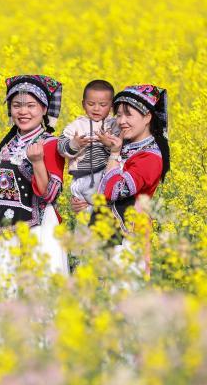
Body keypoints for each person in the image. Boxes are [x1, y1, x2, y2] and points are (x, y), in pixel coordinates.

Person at [71, 84, 170, 277]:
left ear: (147, 117)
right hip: (101, 232)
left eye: (128, 115)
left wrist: (114, 154)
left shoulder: (150, 157)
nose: (122, 121)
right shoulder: (120, 145)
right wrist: (84, 202)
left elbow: (112, 191)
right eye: (118, 115)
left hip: (128, 237)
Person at [0, 74, 68, 277]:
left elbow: (50, 195)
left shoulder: (50, 143)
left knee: (40, 291)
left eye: (31, 106)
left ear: (44, 109)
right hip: (6, 229)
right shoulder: (7, 145)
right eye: (16, 105)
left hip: (39, 229)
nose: (23, 112)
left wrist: (38, 162)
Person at [57, 79, 120, 211]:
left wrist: (109, 144)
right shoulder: (76, 125)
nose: (96, 108)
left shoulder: (114, 124)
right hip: (82, 176)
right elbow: (61, 146)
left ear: (112, 107)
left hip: (104, 173)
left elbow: (122, 146)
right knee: (84, 215)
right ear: (83, 104)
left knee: (101, 211)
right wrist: (74, 145)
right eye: (91, 104)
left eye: (103, 105)